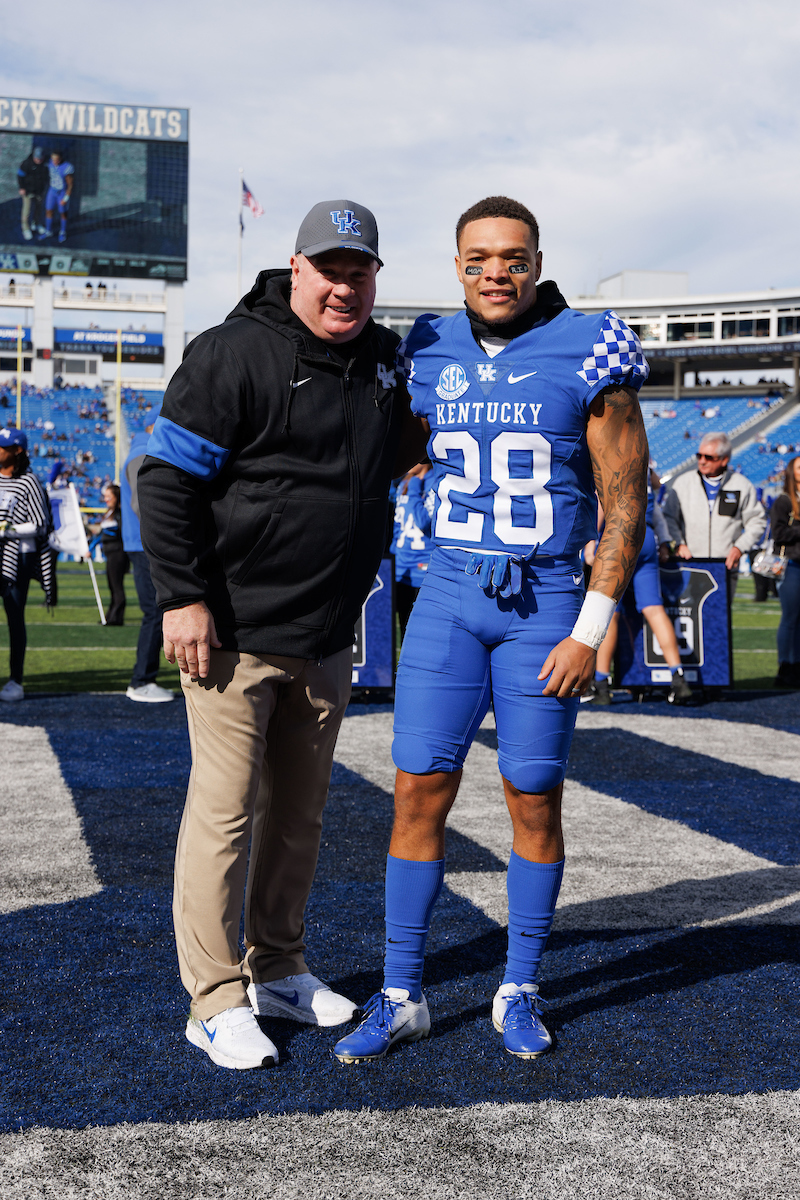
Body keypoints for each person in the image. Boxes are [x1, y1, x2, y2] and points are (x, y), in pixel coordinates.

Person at [333, 195, 648, 1065]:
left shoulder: (591, 345)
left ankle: (520, 985)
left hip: (545, 600)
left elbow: (626, 503)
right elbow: (388, 450)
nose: (494, 272)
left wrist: (591, 625)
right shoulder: (425, 346)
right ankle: (402, 994)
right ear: (457, 265)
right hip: (447, 593)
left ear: (537, 262)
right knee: (415, 790)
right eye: (477, 259)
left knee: (531, 797)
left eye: (511, 257)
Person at [138, 199, 423, 1071]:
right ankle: (215, 998)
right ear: (295, 268)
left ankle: (279, 968)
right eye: (329, 268)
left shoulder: (383, 360)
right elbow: (163, 480)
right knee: (224, 817)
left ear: (376, 276)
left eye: (360, 270)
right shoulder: (232, 352)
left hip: (327, 633)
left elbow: (398, 454)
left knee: (300, 818)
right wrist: (183, 598)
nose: (345, 285)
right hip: (233, 632)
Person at [585, 475, 692, 705]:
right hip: (646, 537)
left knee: (609, 611)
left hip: (617, 536)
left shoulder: (616, 458)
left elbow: (603, 501)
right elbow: (655, 510)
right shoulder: (646, 467)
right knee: (654, 609)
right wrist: (663, 542)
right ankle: (678, 676)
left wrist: (591, 540)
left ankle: (602, 684)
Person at [662, 433, 766, 588]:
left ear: (724, 459)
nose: (702, 461)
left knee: (719, 611)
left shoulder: (741, 485)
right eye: (699, 456)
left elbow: (757, 521)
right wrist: (678, 543)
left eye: (709, 457)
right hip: (689, 564)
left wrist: (739, 547)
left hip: (724, 566)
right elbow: (668, 517)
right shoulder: (683, 483)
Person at [120, 419, 174, 702]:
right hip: (144, 545)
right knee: (154, 613)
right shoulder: (143, 452)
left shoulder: (140, 449)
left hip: (140, 543)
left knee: (155, 612)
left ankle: (144, 678)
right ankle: (142, 680)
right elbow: (144, 505)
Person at [0, 428, 55, 702]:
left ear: (17, 451)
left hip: (16, 556)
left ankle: (15, 680)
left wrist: (8, 529)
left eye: (3, 446)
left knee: (13, 616)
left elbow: (40, 522)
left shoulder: (29, 481)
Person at [391, 461, 434, 637]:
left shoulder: (434, 482)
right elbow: (398, 525)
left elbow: (424, 521)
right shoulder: (404, 481)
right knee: (403, 633)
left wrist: (416, 485)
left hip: (422, 570)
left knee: (421, 636)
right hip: (401, 568)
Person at [770, 456, 800, 688]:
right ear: (791, 472)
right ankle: (785, 665)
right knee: (790, 618)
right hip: (790, 565)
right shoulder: (784, 501)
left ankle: (796, 663)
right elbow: (778, 534)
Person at [87, 484, 128, 626]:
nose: (106, 499)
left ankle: (117, 617)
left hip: (118, 553)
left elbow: (122, 534)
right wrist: (90, 548)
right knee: (112, 585)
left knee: (117, 586)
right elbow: (101, 535)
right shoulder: (108, 513)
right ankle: (111, 615)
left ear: (116, 497)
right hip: (110, 554)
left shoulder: (120, 514)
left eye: (109, 497)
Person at [40, 151, 74, 244]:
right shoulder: (49, 163)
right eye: (53, 159)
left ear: (61, 159)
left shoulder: (67, 167)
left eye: (57, 159)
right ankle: (48, 231)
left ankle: (63, 231)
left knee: (63, 213)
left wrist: (65, 198)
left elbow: (70, 185)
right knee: (49, 210)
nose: (54, 161)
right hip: (52, 190)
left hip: (62, 192)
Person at [17, 147, 48, 242]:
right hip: (28, 191)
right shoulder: (26, 164)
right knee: (27, 210)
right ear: (34, 157)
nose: (39, 160)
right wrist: (22, 188)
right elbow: (20, 175)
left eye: (40, 158)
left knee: (38, 208)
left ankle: (36, 223)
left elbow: (46, 176)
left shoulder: (45, 164)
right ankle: (25, 228)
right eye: (37, 158)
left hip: (39, 191)